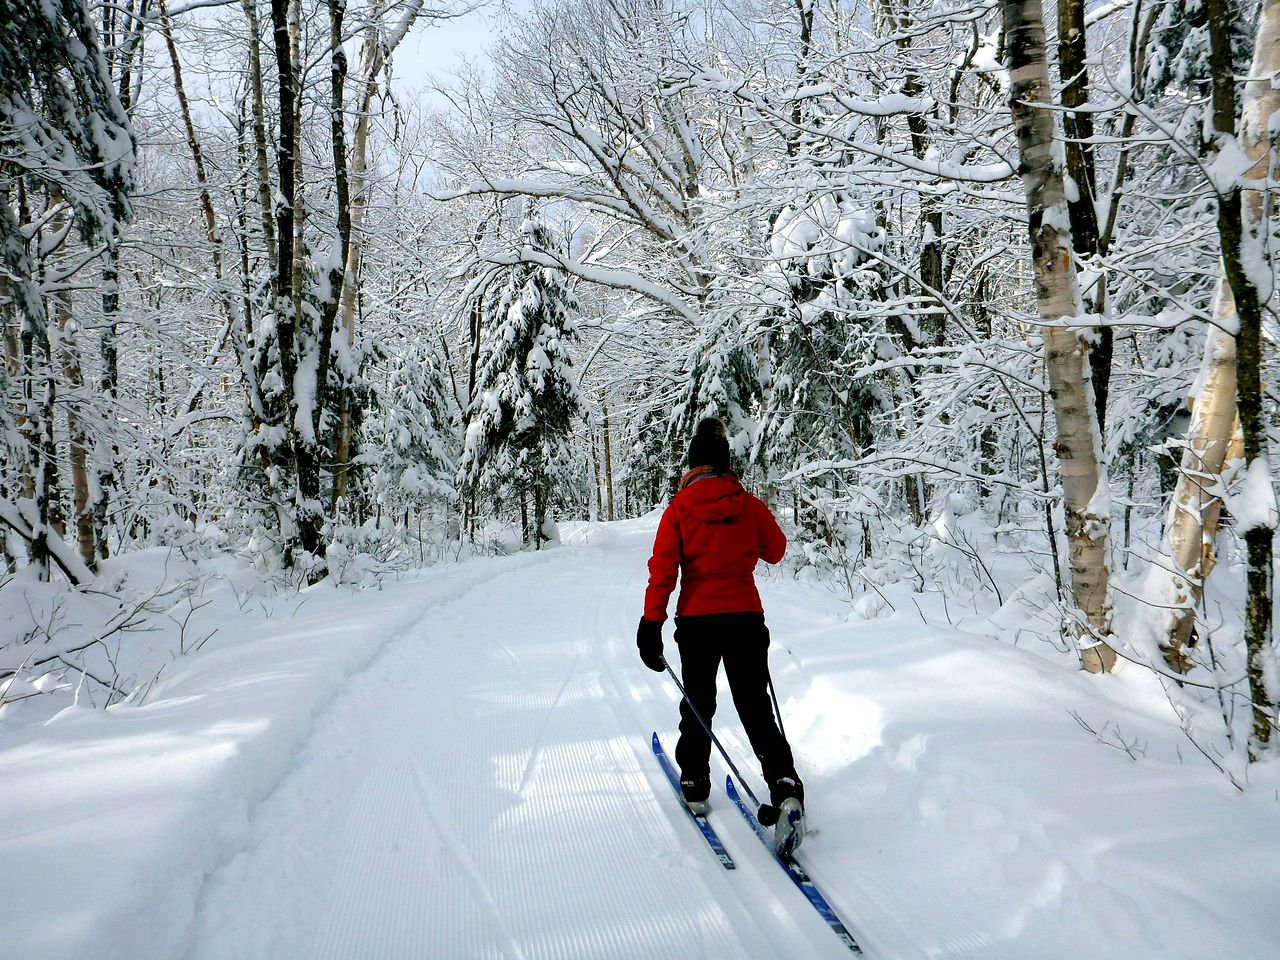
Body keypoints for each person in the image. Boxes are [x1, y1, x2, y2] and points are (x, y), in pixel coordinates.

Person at [637, 416, 805, 854]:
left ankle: (694, 781)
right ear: (727, 464)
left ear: (692, 465)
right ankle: (784, 784)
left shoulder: (678, 510)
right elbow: (777, 550)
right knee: (754, 705)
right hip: (746, 619)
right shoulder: (746, 505)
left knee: (699, 701)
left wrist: (650, 624)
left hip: (697, 622)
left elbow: (663, 571)